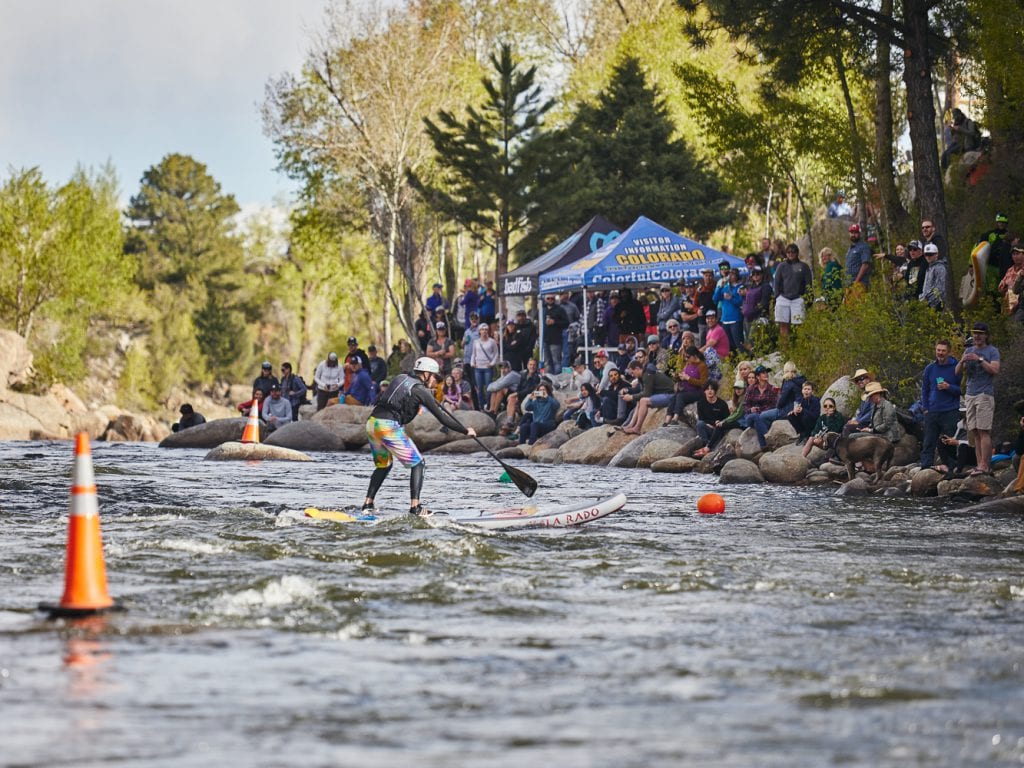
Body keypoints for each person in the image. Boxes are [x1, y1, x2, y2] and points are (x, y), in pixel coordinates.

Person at [362, 357, 476, 517]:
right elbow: (443, 418)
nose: (437, 383)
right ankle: (415, 507)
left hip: (372, 424)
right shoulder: (420, 390)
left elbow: (393, 400)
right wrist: (465, 431)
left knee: (383, 466)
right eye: (436, 378)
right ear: (426, 374)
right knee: (418, 463)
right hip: (387, 427)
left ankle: (368, 503)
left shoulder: (400, 378)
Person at [954, 322, 1001, 475]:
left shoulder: (992, 351)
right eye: (975, 333)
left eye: (980, 333)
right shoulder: (968, 350)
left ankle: (984, 465)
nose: (977, 336)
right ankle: (978, 464)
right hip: (970, 393)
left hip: (984, 394)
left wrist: (979, 359)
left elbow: (995, 370)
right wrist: (962, 361)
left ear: (986, 335)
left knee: (983, 430)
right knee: (974, 431)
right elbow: (957, 372)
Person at [919, 339, 961, 472]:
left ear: (948, 351)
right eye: (938, 350)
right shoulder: (930, 368)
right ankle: (926, 467)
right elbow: (924, 390)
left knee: (949, 440)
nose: (940, 353)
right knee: (928, 441)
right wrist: (925, 408)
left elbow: (962, 389)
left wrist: (949, 387)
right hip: (932, 410)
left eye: (943, 350)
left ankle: (952, 466)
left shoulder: (956, 366)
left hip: (950, 410)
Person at [694, 377, 747, 457]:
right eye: (707, 389)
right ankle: (706, 446)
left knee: (719, 428)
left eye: (712, 389)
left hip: (718, 429)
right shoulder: (701, 403)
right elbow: (702, 419)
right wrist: (712, 423)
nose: (710, 391)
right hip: (708, 427)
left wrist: (717, 423)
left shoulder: (722, 404)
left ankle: (708, 449)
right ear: (704, 391)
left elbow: (726, 419)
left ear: (715, 391)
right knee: (699, 424)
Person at [773, 244, 813, 346]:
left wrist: (807, 299)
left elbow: (808, 284)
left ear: (797, 253)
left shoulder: (804, 267)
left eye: (793, 252)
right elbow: (776, 282)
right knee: (783, 325)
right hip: (783, 298)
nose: (791, 254)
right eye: (788, 252)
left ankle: (800, 350)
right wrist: (777, 296)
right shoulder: (781, 266)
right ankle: (785, 351)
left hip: (798, 298)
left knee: (799, 325)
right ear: (786, 253)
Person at [663, 346, 708, 427]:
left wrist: (688, 378)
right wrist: (678, 376)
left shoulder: (702, 366)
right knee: (673, 398)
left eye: (688, 356)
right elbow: (684, 374)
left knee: (680, 396)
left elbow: (703, 383)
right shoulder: (688, 364)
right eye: (685, 356)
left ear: (695, 356)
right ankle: (667, 420)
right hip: (687, 390)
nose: (686, 359)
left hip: (697, 392)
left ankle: (675, 418)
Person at [712, 268, 744, 352]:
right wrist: (720, 287)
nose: (730, 276)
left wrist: (730, 298)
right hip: (725, 320)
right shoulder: (725, 287)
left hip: (735, 319)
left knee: (738, 343)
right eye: (729, 274)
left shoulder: (740, 287)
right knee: (728, 345)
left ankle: (744, 360)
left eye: (733, 274)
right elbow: (715, 299)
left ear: (737, 276)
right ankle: (733, 362)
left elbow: (741, 302)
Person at [470, 324, 499, 403]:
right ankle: (481, 405)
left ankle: (488, 404)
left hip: (487, 367)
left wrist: (492, 363)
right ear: (479, 331)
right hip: (478, 367)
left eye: (486, 329)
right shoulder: (476, 342)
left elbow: (496, 353)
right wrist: (472, 363)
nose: (484, 331)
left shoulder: (492, 341)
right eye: (482, 329)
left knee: (488, 387)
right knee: (479, 387)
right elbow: (473, 353)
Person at [542, 294, 568, 373]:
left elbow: (566, 323)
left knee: (556, 361)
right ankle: (548, 381)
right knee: (547, 362)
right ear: (545, 299)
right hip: (545, 339)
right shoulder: (543, 310)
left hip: (556, 339)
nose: (550, 300)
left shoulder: (560, 309)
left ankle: (557, 380)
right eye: (548, 298)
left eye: (552, 298)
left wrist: (554, 322)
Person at [998, 243, 1024, 321]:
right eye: (1014, 254)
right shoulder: (1010, 270)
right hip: (1008, 307)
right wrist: (1003, 287)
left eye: (1018, 254)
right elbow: (1001, 288)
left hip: (1020, 306)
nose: (1015, 256)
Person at [919, 243, 947, 310]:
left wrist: (928, 302)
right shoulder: (929, 268)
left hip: (936, 304)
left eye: (930, 254)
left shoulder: (940, 268)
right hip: (927, 305)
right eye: (926, 255)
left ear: (936, 254)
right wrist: (922, 298)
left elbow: (940, 289)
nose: (928, 257)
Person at [844, 223, 872, 289]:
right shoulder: (850, 248)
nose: (853, 235)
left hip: (859, 283)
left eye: (855, 232)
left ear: (859, 234)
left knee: (858, 299)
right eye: (851, 232)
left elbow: (865, 265)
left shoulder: (864, 246)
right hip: (848, 283)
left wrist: (856, 282)